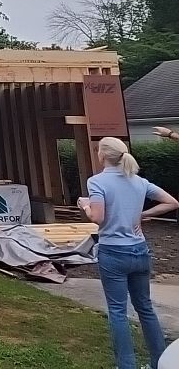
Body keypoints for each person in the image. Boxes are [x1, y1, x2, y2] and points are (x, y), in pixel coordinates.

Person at [78, 136, 179, 369]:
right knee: (145, 307)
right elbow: (172, 202)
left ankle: (126, 365)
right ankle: (160, 362)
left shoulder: (97, 182)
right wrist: (142, 215)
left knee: (117, 311)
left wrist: (84, 204)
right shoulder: (139, 181)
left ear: (102, 155)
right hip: (140, 251)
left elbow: (97, 217)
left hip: (113, 253)